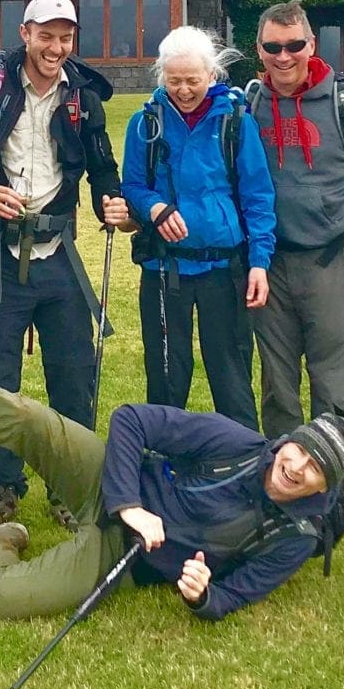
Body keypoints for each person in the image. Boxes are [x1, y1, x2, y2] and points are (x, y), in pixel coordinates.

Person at [0, 342, 344, 621]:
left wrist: (200, 595)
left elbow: (235, 596)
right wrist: (127, 501)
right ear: (289, 440)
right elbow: (132, 419)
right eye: (301, 451)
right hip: (110, 480)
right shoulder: (238, 444)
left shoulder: (293, 537)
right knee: (20, 414)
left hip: (119, 554)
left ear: (322, 490)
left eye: (315, 472)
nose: (297, 468)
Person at [0, 0, 130, 531]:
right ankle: (2, 488)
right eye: (46, 35)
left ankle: (69, 486)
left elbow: (102, 166)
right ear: (25, 34)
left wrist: (110, 201)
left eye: (65, 37)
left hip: (59, 254)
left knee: (74, 374)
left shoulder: (83, 96)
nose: (56, 46)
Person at [248, 0, 344, 496]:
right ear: (259, 50)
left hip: (334, 260)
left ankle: (336, 493)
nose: (283, 56)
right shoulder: (249, 103)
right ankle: (280, 490)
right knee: (278, 386)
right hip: (269, 263)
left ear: (311, 45)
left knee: (334, 386)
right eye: (273, 47)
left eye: (294, 45)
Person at [121, 26, 276, 429]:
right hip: (163, 268)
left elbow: (258, 196)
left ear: (211, 75)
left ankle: (243, 468)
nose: (185, 90)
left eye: (193, 80)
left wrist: (259, 261)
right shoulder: (145, 123)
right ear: (161, 77)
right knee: (167, 376)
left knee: (232, 376)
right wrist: (154, 207)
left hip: (225, 270)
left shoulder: (236, 122)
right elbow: (133, 184)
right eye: (174, 81)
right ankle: (163, 468)